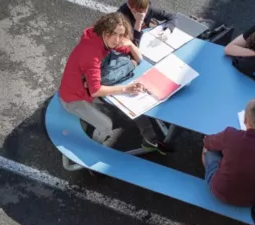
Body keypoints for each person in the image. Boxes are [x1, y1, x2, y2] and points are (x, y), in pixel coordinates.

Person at [58, 12, 171, 153]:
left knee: (131, 101)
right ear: (105, 32)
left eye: (121, 35)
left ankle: (150, 137)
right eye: (115, 35)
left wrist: (129, 44)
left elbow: (138, 56)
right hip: (73, 98)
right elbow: (96, 90)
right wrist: (125, 89)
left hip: (86, 87)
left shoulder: (103, 37)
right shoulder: (91, 54)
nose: (118, 40)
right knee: (106, 125)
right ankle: (93, 150)